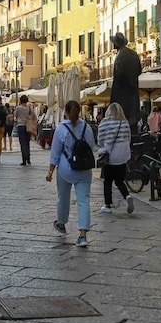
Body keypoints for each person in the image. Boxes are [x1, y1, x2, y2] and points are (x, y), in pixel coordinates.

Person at [46, 100, 96, 247]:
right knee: (83, 200)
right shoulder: (87, 128)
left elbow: (55, 153)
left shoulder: (61, 129)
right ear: (79, 111)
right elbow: (91, 146)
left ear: (65, 112)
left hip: (65, 168)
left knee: (63, 197)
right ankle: (83, 235)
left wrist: (50, 172)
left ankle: (61, 224)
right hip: (84, 169)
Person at [97, 103, 134, 215]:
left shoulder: (105, 122)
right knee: (119, 181)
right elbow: (129, 138)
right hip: (123, 156)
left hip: (110, 156)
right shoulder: (125, 122)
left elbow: (100, 140)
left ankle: (108, 205)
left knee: (107, 181)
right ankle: (127, 196)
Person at [109, 32, 142, 133]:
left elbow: (119, 74)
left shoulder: (120, 56)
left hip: (121, 94)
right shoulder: (133, 54)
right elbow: (139, 71)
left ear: (116, 44)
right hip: (133, 93)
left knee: (121, 118)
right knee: (132, 121)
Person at [13, 94, 36, 165]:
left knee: (22, 143)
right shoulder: (30, 108)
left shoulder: (18, 108)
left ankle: (24, 159)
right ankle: (28, 159)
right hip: (28, 126)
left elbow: (15, 116)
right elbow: (34, 117)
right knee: (27, 142)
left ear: (20, 100)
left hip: (21, 126)